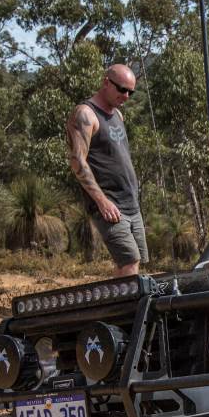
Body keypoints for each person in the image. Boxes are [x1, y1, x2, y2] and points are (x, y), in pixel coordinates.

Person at [66, 64, 147, 277]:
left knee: (132, 265)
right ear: (105, 82)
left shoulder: (118, 115)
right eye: (122, 89)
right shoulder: (85, 114)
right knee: (130, 262)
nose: (127, 96)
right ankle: (128, 310)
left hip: (131, 203)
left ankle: (117, 307)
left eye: (131, 91)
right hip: (110, 204)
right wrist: (102, 201)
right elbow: (78, 162)